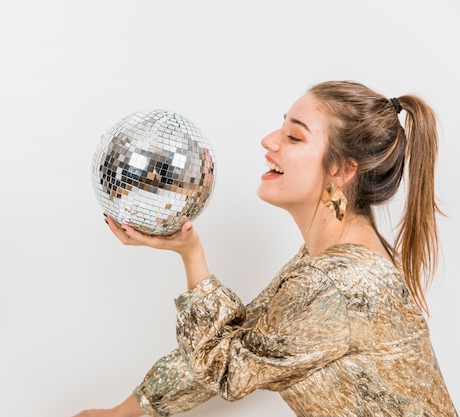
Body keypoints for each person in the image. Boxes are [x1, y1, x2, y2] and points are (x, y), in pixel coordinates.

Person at [74, 81, 458, 417]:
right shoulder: (330, 260)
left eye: (294, 137)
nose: (269, 140)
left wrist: (191, 254)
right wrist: (124, 411)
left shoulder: (336, 283)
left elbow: (228, 371)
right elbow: (242, 344)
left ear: (341, 170)